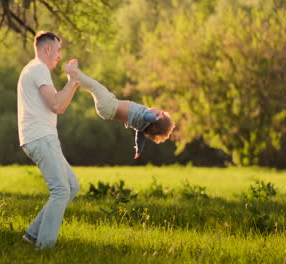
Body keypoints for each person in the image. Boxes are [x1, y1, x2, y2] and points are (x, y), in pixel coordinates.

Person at [17, 31, 80, 250]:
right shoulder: (38, 69)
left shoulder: (35, 69)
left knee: (72, 186)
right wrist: (73, 80)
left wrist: (73, 82)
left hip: (42, 137)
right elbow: (57, 104)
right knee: (61, 190)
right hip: (40, 137)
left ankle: (33, 234)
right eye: (58, 50)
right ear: (47, 49)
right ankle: (44, 248)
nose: (60, 56)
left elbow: (58, 105)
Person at [65, 60, 175, 158]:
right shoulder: (141, 127)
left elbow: (149, 117)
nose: (156, 109)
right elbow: (140, 139)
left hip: (109, 105)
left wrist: (156, 119)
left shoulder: (146, 116)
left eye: (159, 112)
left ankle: (74, 73)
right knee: (93, 89)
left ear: (156, 117)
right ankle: (74, 79)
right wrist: (138, 149)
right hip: (106, 112)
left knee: (95, 86)